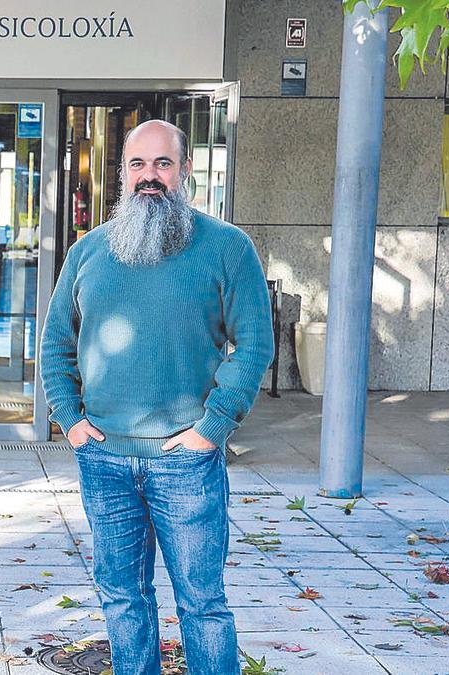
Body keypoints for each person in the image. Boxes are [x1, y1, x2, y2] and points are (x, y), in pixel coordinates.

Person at [40, 120, 274, 674]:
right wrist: (70, 419)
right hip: (104, 459)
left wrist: (211, 429)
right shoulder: (88, 252)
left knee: (203, 606)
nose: (151, 177)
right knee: (123, 603)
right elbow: (55, 346)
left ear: (185, 170)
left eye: (162, 164)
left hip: (185, 462)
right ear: (123, 174)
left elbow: (256, 345)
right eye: (139, 165)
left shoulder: (227, 248)